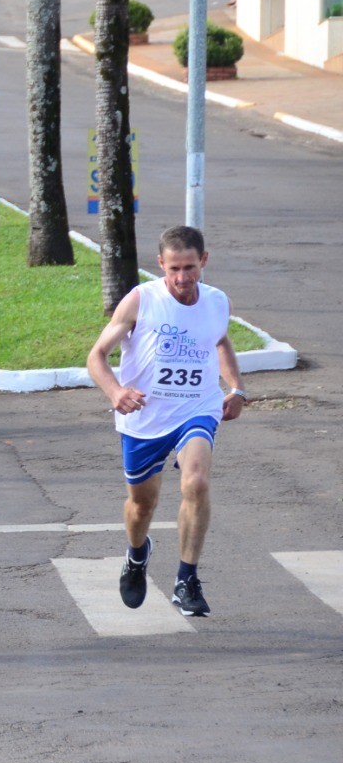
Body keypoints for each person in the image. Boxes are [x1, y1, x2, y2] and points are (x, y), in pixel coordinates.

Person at [86, 226, 247, 618]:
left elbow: (220, 340)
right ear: (160, 264)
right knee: (142, 505)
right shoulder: (141, 301)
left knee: (196, 481)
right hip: (144, 416)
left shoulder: (216, 302)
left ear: (203, 261)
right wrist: (116, 392)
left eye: (190, 267)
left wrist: (237, 386)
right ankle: (137, 555)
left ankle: (186, 579)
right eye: (173, 268)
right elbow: (97, 356)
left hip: (198, 407)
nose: (181, 278)